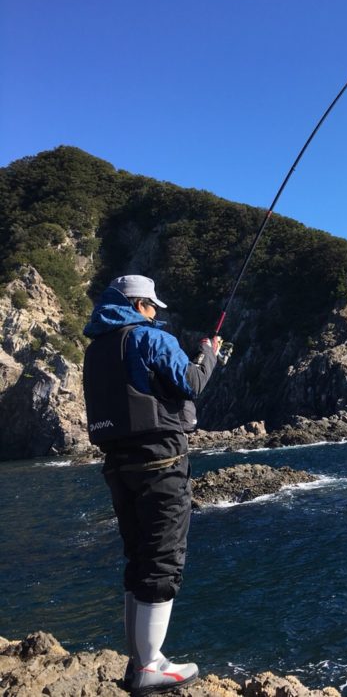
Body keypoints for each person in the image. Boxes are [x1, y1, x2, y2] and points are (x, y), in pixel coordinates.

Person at [83, 274, 223, 695]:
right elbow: (191, 383)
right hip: (160, 461)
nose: (154, 314)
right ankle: (149, 666)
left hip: (118, 465)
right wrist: (209, 354)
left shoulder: (97, 348)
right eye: (151, 306)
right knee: (163, 558)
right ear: (138, 305)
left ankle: (139, 660)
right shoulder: (149, 337)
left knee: (139, 557)